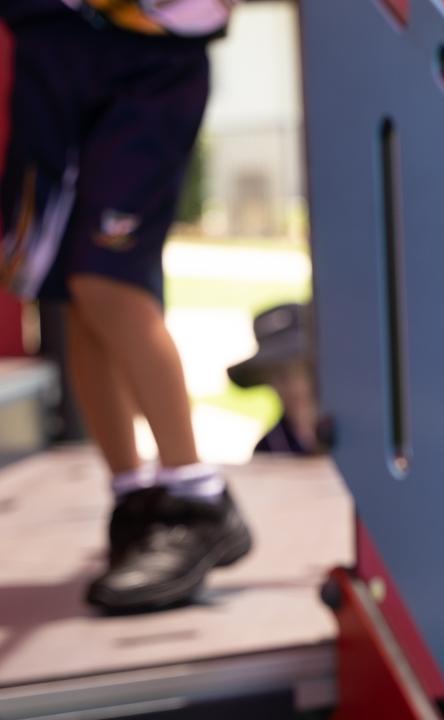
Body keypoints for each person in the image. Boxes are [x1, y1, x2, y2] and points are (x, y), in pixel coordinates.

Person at [0, 0, 247, 613]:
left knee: (108, 282)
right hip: (49, 47)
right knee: (69, 295)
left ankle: (198, 496)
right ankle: (134, 500)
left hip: (149, 54)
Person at [226, 302, 322, 456]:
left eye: (303, 371)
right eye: (281, 376)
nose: (295, 387)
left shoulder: (357, 435)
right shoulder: (267, 449)